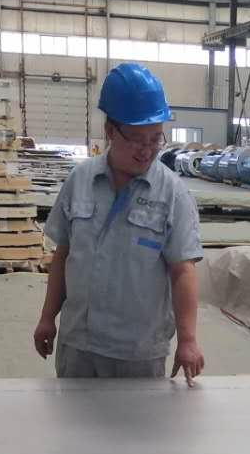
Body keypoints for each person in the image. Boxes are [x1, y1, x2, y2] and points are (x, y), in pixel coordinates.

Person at [33, 63, 205, 380]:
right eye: (137, 139)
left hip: (138, 353)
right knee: (71, 414)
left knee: (137, 415)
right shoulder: (80, 180)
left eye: (155, 139)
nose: (147, 150)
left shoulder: (173, 194)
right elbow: (64, 255)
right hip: (78, 346)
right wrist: (47, 317)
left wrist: (188, 340)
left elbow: (183, 270)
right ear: (110, 131)